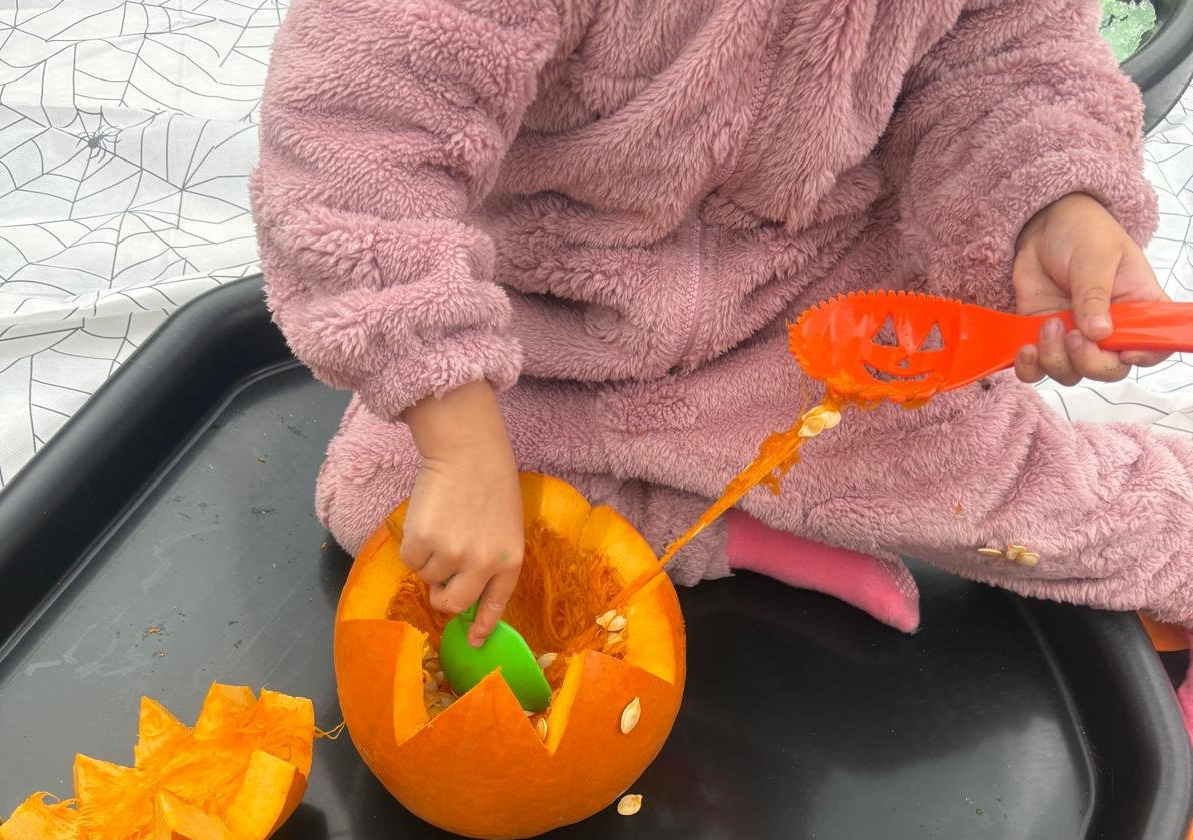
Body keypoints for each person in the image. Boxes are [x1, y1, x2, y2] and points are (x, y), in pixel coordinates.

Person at [252, 0, 1191, 713]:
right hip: (553, 315)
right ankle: (733, 527)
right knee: (378, 509)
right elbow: (352, 142)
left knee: (1021, 498)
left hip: (826, 314)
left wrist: (1054, 201)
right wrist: (458, 439)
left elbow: (1006, 56)